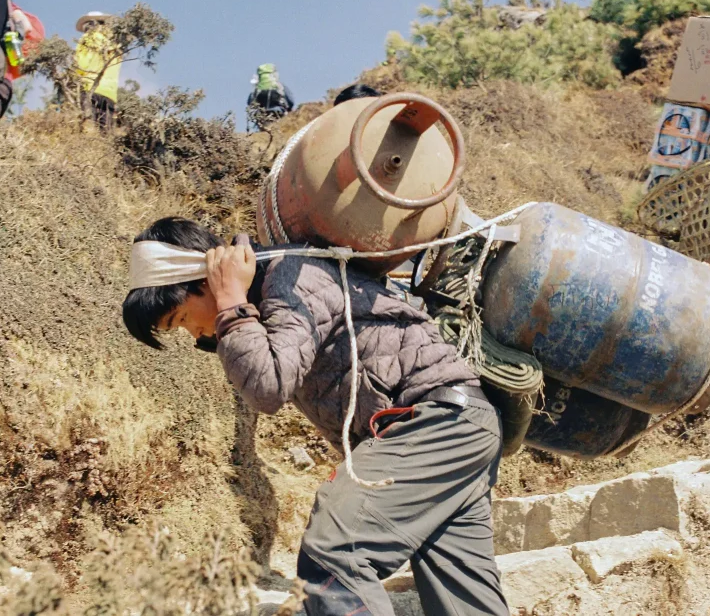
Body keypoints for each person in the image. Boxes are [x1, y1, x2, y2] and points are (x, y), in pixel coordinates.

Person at [122, 219, 509, 616]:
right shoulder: (274, 295)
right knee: (465, 599)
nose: (194, 334)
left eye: (182, 319)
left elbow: (267, 387)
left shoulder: (291, 276)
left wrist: (232, 303)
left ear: (205, 280)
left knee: (336, 547)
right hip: (461, 426)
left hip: (437, 423)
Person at [74, 11, 121, 131]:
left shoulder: (88, 39)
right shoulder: (116, 44)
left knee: (88, 129)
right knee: (105, 131)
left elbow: (81, 64)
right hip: (110, 93)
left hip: (90, 87)